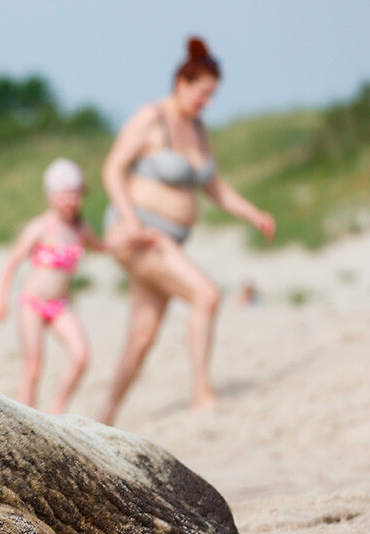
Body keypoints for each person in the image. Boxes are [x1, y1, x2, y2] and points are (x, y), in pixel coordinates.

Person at [99, 36, 275, 424]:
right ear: (182, 83)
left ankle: (104, 417)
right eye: (203, 93)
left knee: (142, 337)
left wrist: (253, 214)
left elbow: (214, 186)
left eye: (213, 96)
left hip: (166, 241)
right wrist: (131, 224)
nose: (208, 102)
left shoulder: (197, 129)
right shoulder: (151, 117)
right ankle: (202, 394)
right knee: (206, 295)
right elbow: (112, 169)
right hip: (137, 232)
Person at [0, 158, 108, 414]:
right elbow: (11, 263)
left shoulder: (81, 229)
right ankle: (25, 418)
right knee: (33, 365)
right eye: (64, 195)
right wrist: (1, 300)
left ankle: (57, 410)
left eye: (75, 194)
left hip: (60, 305)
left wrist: (130, 242)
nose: (70, 200)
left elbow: (102, 247)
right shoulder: (41, 227)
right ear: (51, 197)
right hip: (32, 302)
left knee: (81, 356)